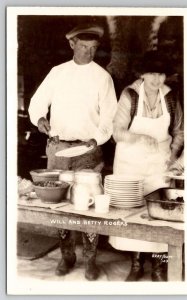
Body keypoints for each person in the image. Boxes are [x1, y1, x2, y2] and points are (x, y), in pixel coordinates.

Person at [28, 23, 117, 280]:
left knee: (88, 204)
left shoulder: (103, 77)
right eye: (83, 47)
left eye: (93, 48)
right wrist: (39, 119)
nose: (88, 53)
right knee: (61, 204)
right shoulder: (57, 73)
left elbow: (109, 119)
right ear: (72, 45)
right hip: (58, 147)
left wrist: (96, 139)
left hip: (88, 149)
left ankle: (90, 259)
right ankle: (67, 256)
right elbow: (36, 102)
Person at [109, 50, 184, 281]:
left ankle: (160, 267)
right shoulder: (129, 95)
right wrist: (139, 137)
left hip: (158, 164)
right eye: (151, 73)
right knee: (132, 213)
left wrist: (172, 156)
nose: (156, 79)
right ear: (142, 74)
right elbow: (117, 132)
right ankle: (136, 264)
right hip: (130, 164)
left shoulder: (170, 98)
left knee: (161, 216)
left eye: (161, 74)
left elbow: (179, 132)